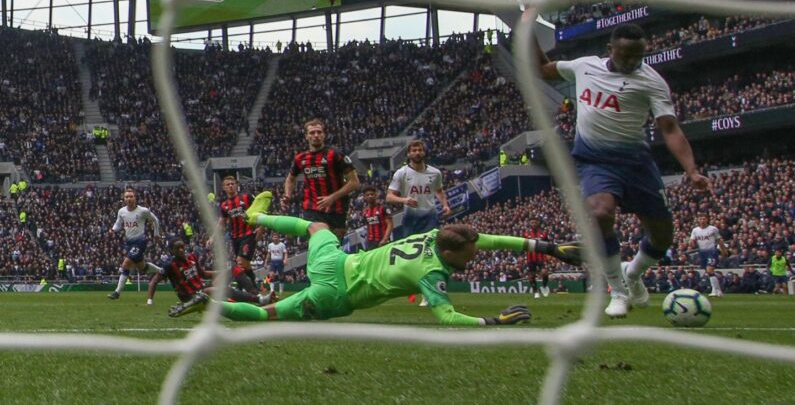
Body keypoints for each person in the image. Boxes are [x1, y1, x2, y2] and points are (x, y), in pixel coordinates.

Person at [172, 193, 582, 325]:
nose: (475, 257)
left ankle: (256, 216)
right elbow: (448, 318)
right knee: (267, 316)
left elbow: (493, 240)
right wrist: (494, 321)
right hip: (338, 294)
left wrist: (546, 248)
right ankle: (210, 304)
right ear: (450, 252)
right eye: (469, 255)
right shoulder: (431, 271)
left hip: (335, 263)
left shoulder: (431, 236)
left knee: (317, 229)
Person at [534, 22, 711, 318]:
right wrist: (528, 36)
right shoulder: (584, 66)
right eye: (625, 55)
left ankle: (633, 275)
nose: (631, 62)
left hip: (636, 164)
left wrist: (691, 171)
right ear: (610, 50)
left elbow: (669, 127)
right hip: (595, 161)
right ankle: (617, 289)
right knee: (600, 213)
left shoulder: (651, 81)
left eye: (637, 56)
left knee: (662, 238)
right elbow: (543, 70)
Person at [148, 239, 275, 315]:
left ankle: (257, 295)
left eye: (182, 247)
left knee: (234, 269)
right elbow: (154, 281)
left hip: (203, 288)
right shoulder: (170, 265)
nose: (181, 250)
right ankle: (259, 300)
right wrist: (150, 301)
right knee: (218, 290)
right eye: (177, 248)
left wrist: (222, 272)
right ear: (172, 251)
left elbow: (203, 274)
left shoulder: (191, 258)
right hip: (191, 296)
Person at [282, 119, 360, 240]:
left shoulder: (336, 155)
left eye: (319, 132)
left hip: (336, 209)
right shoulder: (300, 158)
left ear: (324, 135)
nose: (316, 135)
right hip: (312, 208)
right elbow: (290, 179)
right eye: (312, 133)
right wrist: (287, 195)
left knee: (334, 246)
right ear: (306, 136)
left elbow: (354, 182)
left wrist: (332, 197)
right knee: (319, 243)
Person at [209, 176, 266, 297]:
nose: (230, 186)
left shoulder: (247, 197)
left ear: (236, 185)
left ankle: (252, 292)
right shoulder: (224, 205)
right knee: (246, 266)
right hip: (235, 238)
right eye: (227, 184)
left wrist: (261, 228)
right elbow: (221, 223)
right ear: (224, 187)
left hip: (248, 235)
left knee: (239, 263)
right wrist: (212, 237)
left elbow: (261, 209)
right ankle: (255, 291)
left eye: (232, 183)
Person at [386, 140, 450, 239]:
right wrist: (405, 200)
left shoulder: (435, 173)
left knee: (431, 244)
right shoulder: (401, 173)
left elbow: (439, 191)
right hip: (410, 218)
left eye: (420, 150)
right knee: (411, 247)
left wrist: (445, 205)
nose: (417, 153)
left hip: (430, 216)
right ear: (408, 154)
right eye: (414, 150)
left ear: (424, 153)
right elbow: (389, 197)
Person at [108, 188, 164, 301]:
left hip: (140, 242)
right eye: (127, 197)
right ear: (124, 199)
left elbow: (155, 220)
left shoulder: (143, 211)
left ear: (135, 198)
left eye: (131, 196)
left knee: (126, 264)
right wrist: (113, 230)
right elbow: (118, 223)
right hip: (129, 242)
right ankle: (161, 271)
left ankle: (117, 292)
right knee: (142, 267)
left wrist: (156, 234)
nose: (129, 199)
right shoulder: (121, 211)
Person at [689, 214, 727, 297]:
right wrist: (691, 243)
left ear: (707, 220)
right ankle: (718, 290)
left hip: (712, 251)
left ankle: (716, 291)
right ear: (698, 220)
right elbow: (691, 241)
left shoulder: (713, 229)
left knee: (709, 270)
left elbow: (719, 240)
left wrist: (724, 250)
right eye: (700, 219)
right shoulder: (695, 230)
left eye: (704, 219)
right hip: (702, 253)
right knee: (709, 272)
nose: (702, 221)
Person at [525, 215, 550, 299]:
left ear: (538, 223)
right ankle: (536, 292)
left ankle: (544, 286)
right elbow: (523, 245)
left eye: (535, 222)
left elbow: (548, 244)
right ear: (529, 224)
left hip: (541, 257)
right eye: (532, 222)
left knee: (544, 272)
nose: (534, 224)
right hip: (530, 258)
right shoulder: (526, 234)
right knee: (531, 276)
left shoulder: (543, 234)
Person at [361, 185, 393, 251]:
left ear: (376, 195)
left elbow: (390, 225)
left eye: (372, 194)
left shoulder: (383, 208)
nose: (370, 196)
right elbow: (367, 227)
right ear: (364, 197)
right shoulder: (365, 211)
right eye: (367, 195)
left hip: (383, 241)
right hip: (370, 243)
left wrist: (385, 239)